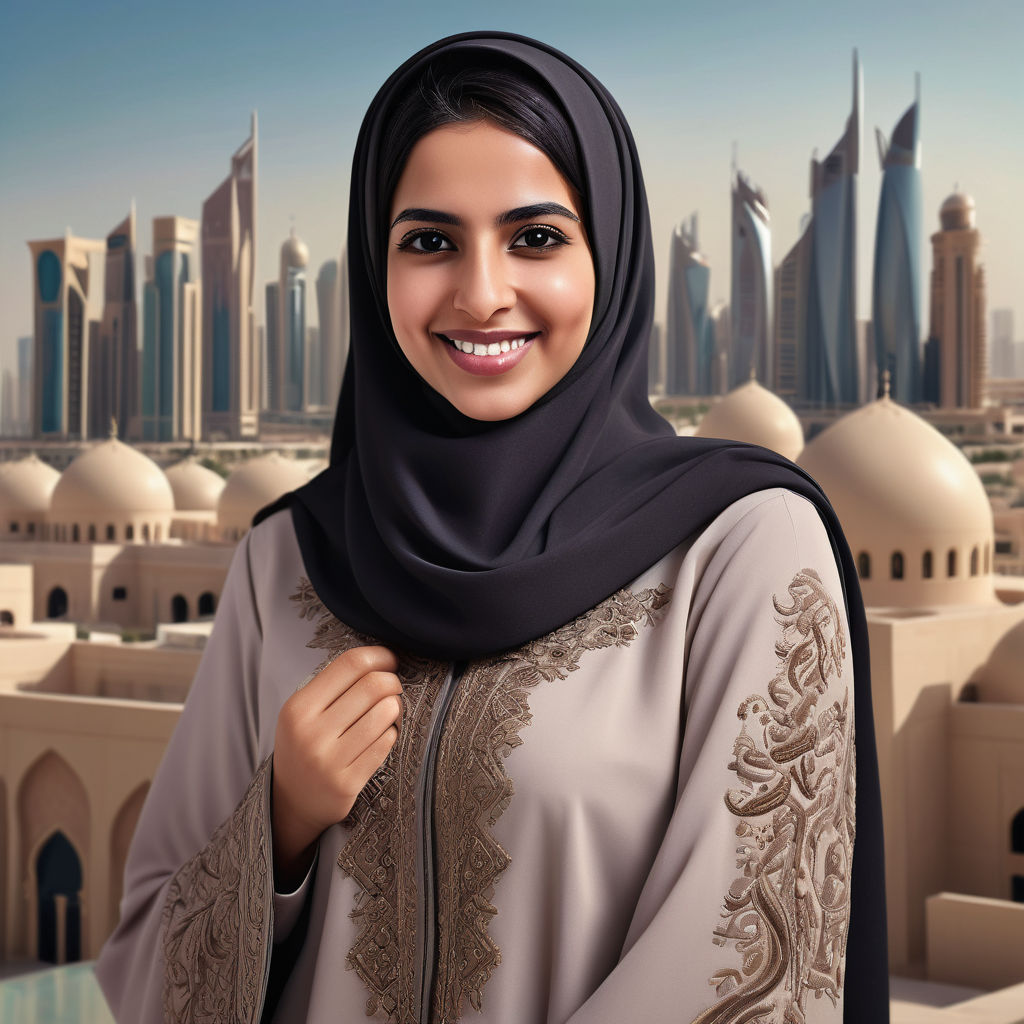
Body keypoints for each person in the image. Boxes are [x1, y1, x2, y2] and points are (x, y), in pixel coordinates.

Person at [95, 31, 888, 1023]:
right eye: (428, 241)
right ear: (374, 265)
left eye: (536, 237)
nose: (479, 292)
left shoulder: (738, 547)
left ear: (611, 256)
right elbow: (139, 970)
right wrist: (280, 822)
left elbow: (748, 968)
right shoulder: (286, 558)